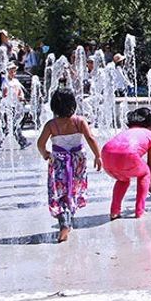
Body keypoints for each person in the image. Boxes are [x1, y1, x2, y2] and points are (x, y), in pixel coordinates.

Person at [37, 88, 102, 243]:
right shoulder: (80, 121)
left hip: (59, 161)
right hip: (78, 160)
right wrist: (98, 156)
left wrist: (45, 154)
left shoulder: (51, 125)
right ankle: (69, 217)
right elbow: (90, 138)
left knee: (58, 192)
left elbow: (40, 143)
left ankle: (63, 220)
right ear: (73, 104)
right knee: (74, 189)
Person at [102, 107, 151, 220]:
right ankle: (139, 210)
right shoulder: (150, 135)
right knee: (145, 173)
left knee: (122, 179)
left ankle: (114, 211)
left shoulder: (126, 132)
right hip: (128, 154)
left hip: (106, 155)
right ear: (150, 125)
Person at [0, 63, 29, 150]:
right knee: (10, 125)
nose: (13, 73)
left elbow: (20, 91)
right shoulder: (5, 81)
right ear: (8, 72)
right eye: (11, 71)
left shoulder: (16, 81)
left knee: (11, 125)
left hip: (15, 106)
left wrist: (21, 97)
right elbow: (4, 94)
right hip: (8, 106)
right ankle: (22, 141)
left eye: (14, 71)